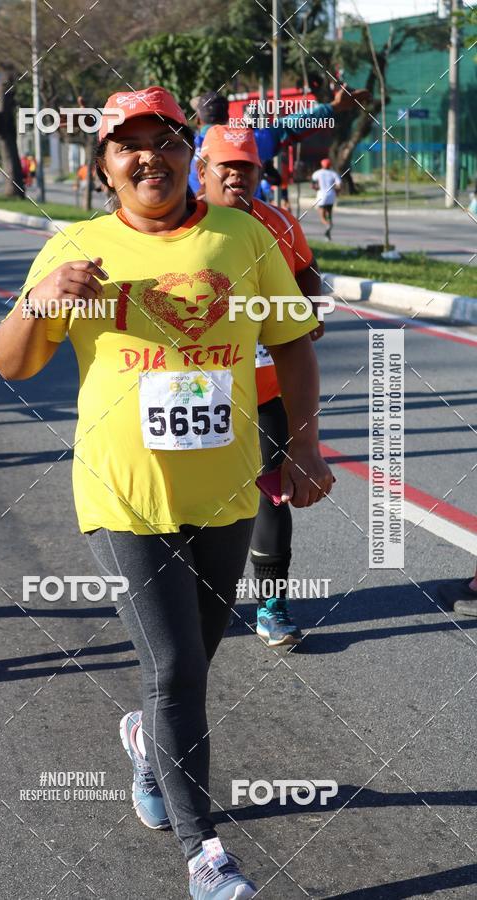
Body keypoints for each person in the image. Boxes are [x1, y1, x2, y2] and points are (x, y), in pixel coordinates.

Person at [0, 86, 333, 899]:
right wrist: (44, 301)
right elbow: (11, 363)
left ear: (189, 153)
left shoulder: (242, 237)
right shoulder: (74, 248)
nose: (150, 155)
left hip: (225, 488)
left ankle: (150, 742)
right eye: (128, 144)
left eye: (166, 139)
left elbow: (291, 345)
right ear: (105, 164)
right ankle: (205, 855)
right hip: (122, 491)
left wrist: (306, 446)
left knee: (194, 662)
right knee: (176, 663)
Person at [197, 124, 324, 648]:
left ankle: (272, 605)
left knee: (272, 495)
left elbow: (308, 272)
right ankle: (194, 602)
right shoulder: (177, 225)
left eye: (245, 166)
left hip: (265, 390)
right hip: (195, 395)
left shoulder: (277, 223)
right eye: (225, 165)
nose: (235, 175)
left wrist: (310, 309)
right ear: (201, 169)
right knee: (195, 502)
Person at [189, 86, 371, 198]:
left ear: (198, 120)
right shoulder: (248, 141)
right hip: (251, 233)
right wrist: (333, 107)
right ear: (228, 116)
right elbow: (288, 126)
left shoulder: (184, 148)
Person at [311, 158, 341, 240]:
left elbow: (313, 185)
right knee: (329, 214)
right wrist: (337, 193)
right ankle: (328, 235)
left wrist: (316, 188)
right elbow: (339, 186)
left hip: (321, 195)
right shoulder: (333, 173)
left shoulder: (317, 173)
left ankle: (327, 225)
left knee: (322, 216)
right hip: (331, 195)